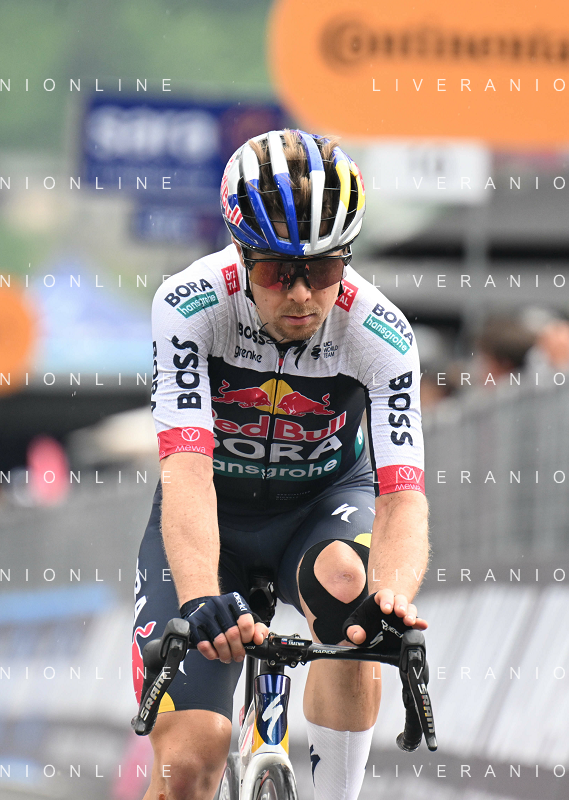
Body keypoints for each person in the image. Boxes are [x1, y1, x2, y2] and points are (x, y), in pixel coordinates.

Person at [133, 129, 429, 800]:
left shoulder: (381, 332)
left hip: (319, 510)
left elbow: (401, 496)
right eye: (275, 272)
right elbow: (186, 469)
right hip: (215, 518)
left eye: (322, 270)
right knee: (190, 763)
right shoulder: (189, 304)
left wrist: (393, 597)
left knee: (354, 593)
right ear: (241, 256)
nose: (300, 295)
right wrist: (198, 597)